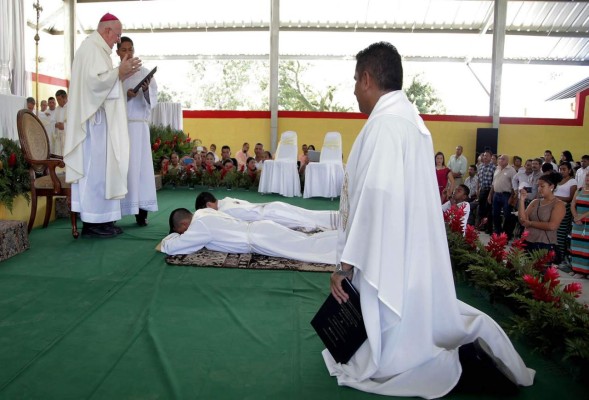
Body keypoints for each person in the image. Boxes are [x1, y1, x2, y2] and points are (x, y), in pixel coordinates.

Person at [325, 42, 534, 398]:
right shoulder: (412, 122)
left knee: (392, 345)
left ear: (366, 78)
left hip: (386, 250)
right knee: (411, 317)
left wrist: (345, 267)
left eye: (354, 81)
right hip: (409, 242)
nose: (354, 91)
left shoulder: (385, 126)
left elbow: (376, 199)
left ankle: (459, 366)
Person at [63, 12, 142, 238]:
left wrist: (120, 75)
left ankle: (104, 220)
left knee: (103, 172)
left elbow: (103, 83)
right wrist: (118, 73)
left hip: (102, 124)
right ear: (107, 30)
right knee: (95, 173)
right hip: (94, 126)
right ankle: (93, 222)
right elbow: (92, 85)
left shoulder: (99, 50)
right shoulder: (90, 49)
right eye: (117, 35)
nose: (118, 40)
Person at [160, 208, 337, 265]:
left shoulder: (199, 226)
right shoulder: (203, 212)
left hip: (259, 238)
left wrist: (169, 239)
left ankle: (342, 248)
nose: (183, 234)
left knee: (305, 249)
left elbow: (172, 247)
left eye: (180, 231)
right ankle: (339, 239)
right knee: (305, 242)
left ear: (183, 225)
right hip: (261, 230)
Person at [116, 36, 158, 227]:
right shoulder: (115, 75)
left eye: (130, 49)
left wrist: (146, 90)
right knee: (123, 169)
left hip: (139, 128)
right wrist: (126, 95)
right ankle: (115, 212)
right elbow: (107, 99)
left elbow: (154, 101)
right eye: (124, 49)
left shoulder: (145, 72)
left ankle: (141, 213)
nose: (128, 53)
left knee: (140, 170)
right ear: (117, 53)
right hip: (122, 127)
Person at [195, 191, 338, 231]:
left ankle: (337, 223)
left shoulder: (224, 212)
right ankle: (337, 217)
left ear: (208, 205)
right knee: (306, 213)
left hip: (270, 214)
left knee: (307, 221)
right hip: (272, 206)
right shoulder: (226, 199)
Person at [518, 172, 566, 254]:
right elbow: (523, 220)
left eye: (542, 186)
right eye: (538, 186)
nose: (539, 189)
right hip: (527, 240)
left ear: (552, 187)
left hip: (544, 244)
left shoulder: (558, 204)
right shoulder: (535, 202)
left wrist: (530, 223)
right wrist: (522, 200)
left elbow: (552, 226)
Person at [554, 161, 577, 264]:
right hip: (555, 208)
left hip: (565, 209)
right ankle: (553, 255)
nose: (562, 171)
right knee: (554, 232)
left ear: (569, 170)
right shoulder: (558, 181)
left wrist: (555, 197)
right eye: (560, 169)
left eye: (564, 169)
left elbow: (570, 198)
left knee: (561, 233)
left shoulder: (572, 182)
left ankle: (561, 256)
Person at [488, 154, 516, 239]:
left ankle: (506, 235)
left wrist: (512, 197)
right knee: (495, 214)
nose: (500, 160)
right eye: (499, 159)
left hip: (506, 195)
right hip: (496, 194)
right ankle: (498, 232)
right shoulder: (497, 168)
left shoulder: (511, 170)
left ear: (507, 161)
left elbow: (514, 185)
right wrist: (490, 194)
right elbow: (493, 183)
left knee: (507, 215)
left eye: (503, 159)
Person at [570, 173, 589, 278]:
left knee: (587, 248)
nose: (588, 178)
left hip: (587, 224)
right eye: (587, 176)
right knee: (576, 246)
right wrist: (576, 216)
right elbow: (573, 205)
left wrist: (581, 217)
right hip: (578, 223)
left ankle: (586, 271)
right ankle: (577, 269)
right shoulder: (579, 190)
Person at [53, 89, 68, 156]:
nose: (58, 101)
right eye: (57, 99)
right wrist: (55, 124)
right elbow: (53, 121)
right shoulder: (57, 109)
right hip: (59, 138)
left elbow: (75, 124)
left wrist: (64, 126)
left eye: (59, 99)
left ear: (65, 97)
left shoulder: (71, 107)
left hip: (68, 138)